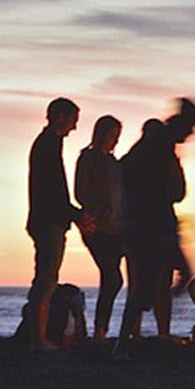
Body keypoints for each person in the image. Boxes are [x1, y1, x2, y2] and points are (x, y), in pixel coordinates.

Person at [120, 99, 195, 341]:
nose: (192, 133)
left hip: (154, 224)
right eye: (191, 127)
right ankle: (125, 340)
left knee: (159, 282)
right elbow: (176, 191)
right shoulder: (159, 145)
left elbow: (176, 191)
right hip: (151, 226)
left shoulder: (153, 149)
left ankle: (132, 337)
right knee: (148, 286)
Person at [25, 97, 89, 350]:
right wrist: (75, 214)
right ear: (61, 116)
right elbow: (53, 190)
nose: (74, 127)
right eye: (73, 120)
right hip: (48, 220)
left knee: (45, 277)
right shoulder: (48, 144)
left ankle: (38, 337)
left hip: (47, 219)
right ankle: (38, 339)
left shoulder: (49, 143)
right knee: (46, 279)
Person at [75, 115, 125, 341]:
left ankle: (106, 331)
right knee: (112, 277)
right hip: (98, 227)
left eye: (117, 137)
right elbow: (80, 193)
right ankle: (100, 331)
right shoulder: (88, 159)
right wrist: (100, 209)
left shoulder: (115, 163)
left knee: (114, 278)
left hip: (118, 228)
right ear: (100, 134)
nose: (114, 141)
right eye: (111, 136)